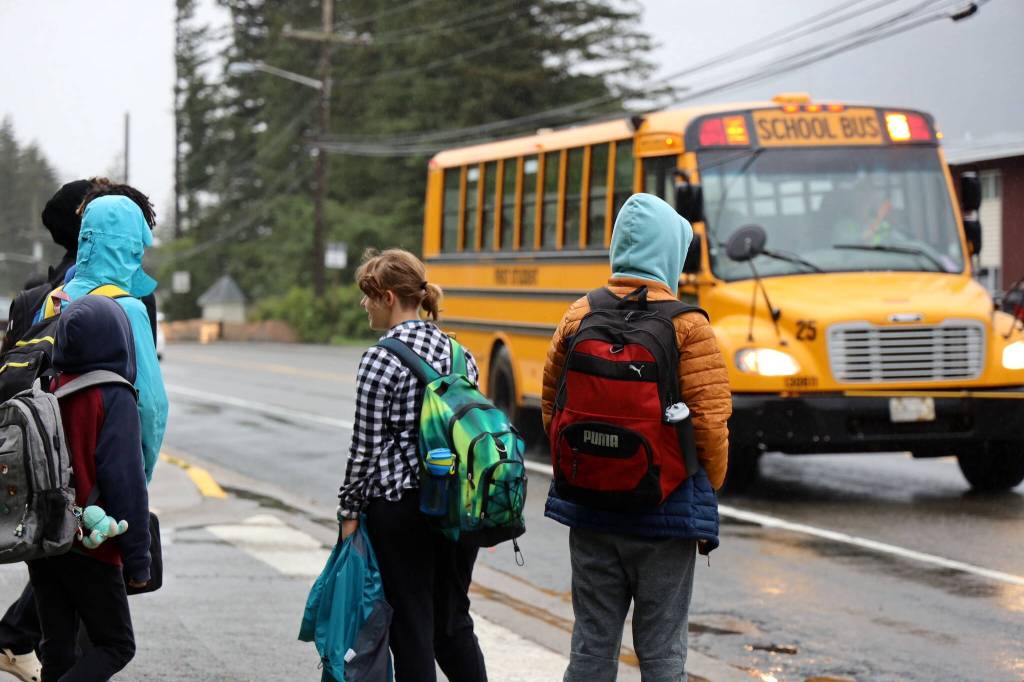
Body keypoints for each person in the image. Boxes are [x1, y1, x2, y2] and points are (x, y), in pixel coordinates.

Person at [543, 193, 731, 681]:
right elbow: (710, 425)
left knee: (590, 647)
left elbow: (551, 408)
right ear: (670, 251)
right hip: (663, 514)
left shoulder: (578, 316)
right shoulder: (689, 327)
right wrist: (703, 486)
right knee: (663, 652)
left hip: (589, 509)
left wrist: (590, 464)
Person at [336, 249, 487, 681]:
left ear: (387, 297)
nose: (364, 305)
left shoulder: (379, 360)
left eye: (368, 297)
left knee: (412, 628)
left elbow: (364, 450)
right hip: (458, 506)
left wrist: (348, 511)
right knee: (454, 623)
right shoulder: (462, 354)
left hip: (402, 511)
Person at [27, 296, 150, 681]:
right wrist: (138, 560)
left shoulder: (47, 386)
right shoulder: (114, 395)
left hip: (45, 539)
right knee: (116, 645)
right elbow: (125, 482)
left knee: (58, 649)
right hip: (91, 544)